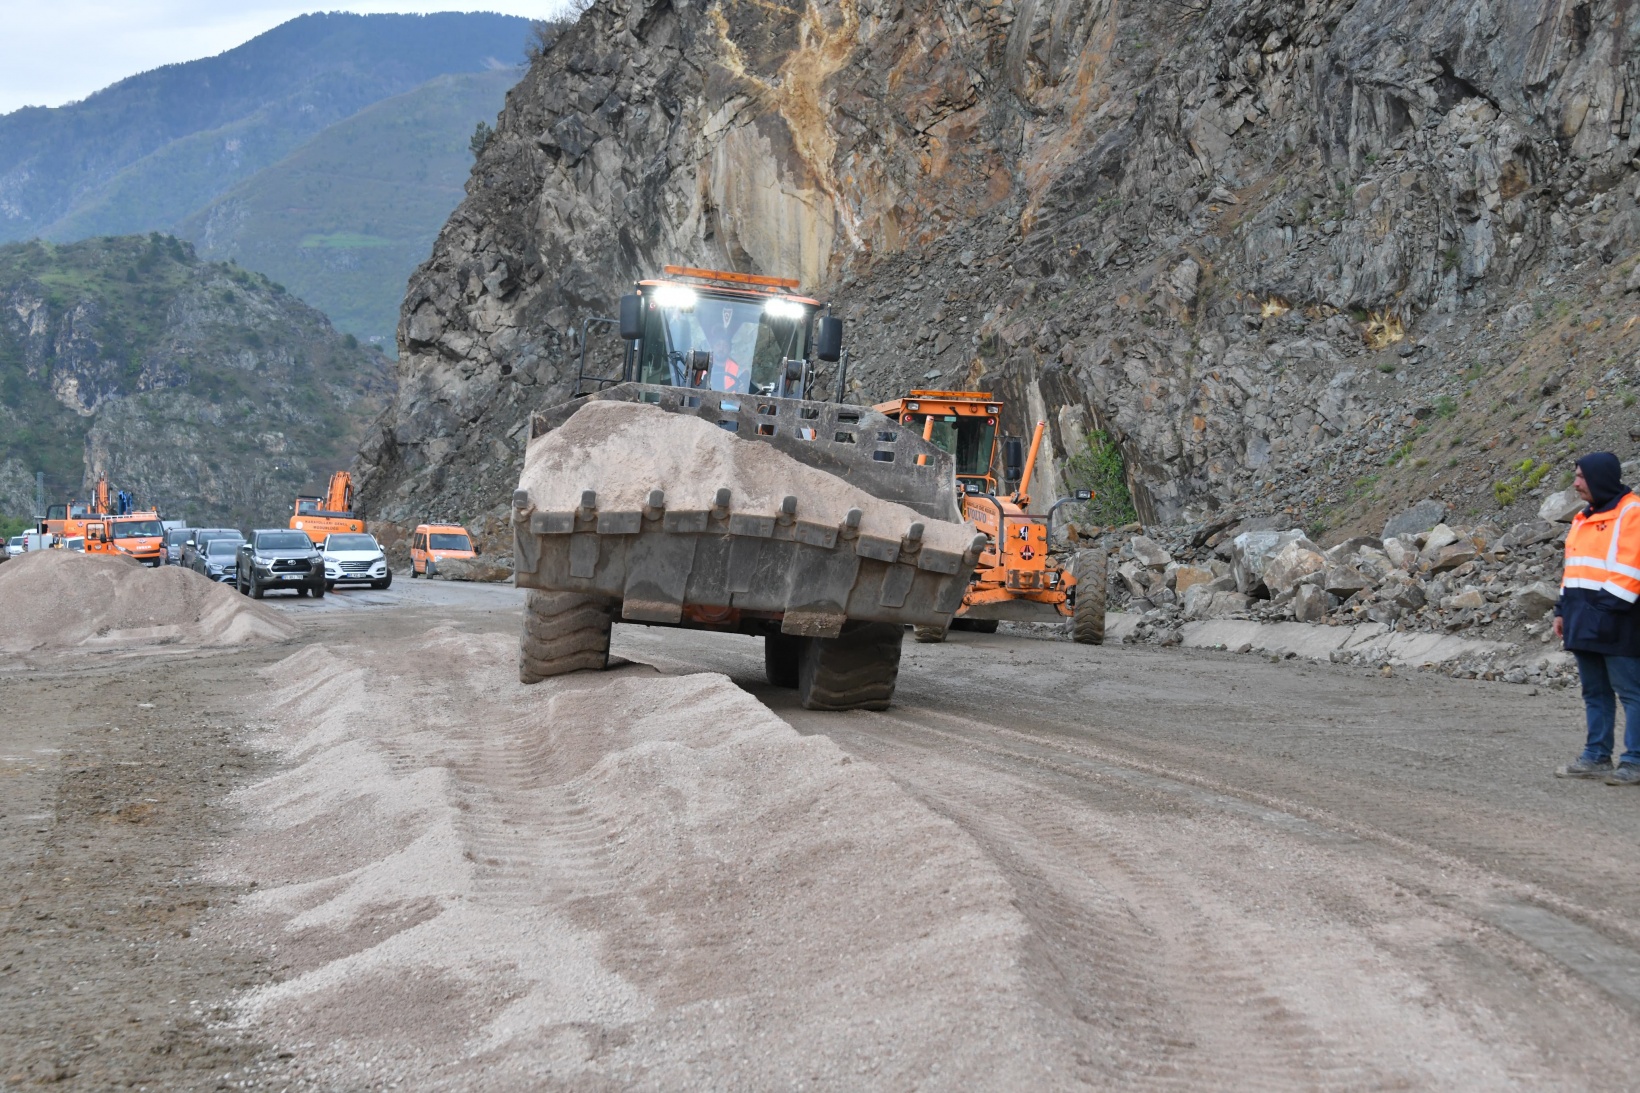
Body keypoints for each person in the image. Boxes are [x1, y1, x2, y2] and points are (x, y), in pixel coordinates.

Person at [1554, 452, 1640, 783]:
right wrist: (1562, 610)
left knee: (1631, 692)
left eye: (1581, 477)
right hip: (1583, 619)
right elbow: (1573, 571)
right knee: (1595, 692)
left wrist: (1601, 613)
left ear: (1600, 478)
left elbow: (1630, 570)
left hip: (1618, 620)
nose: (1575, 483)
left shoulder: (1631, 512)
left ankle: (1633, 760)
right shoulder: (1581, 518)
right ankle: (1596, 755)